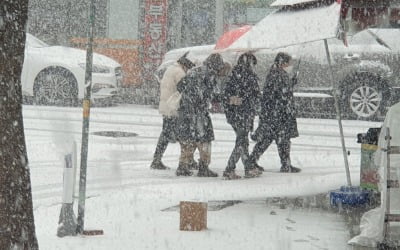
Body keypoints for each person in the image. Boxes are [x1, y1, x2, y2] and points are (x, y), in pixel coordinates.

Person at [248, 52, 301, 173]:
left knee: (272, 139)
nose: (290, 65)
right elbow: (279, 93)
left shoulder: (276, 73)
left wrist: (291, 83)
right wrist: (289, 86)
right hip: (277, 113)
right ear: (283, 63)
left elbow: (280, 90)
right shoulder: (277, 74)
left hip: (274, 113)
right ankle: (284, 164)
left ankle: (254, 160)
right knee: (280, 139)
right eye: (288, 63)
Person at [175, 53, 225, 177]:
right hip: (199, 113)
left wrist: (188, 98)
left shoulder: (194, 71)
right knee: (205, 139)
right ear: (216, 66)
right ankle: (203, 167)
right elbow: (212, 95)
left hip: (185, 110)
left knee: (188, 139)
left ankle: (182, 166)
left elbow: (179, 86)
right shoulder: (210, 74)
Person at [150, 52, 196, 170]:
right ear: (185, 65)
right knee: (183, 135)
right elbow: (184, 89)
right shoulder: (179, 72)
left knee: (166, 134)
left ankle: (157, 159)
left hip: (166, 106)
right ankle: (187, 160)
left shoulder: (170, 68)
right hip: (173, 108)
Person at [222, 52, 263, 179]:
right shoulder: (247, 76)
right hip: (243, 114)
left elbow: (226, 95)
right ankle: (229, 169)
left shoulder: (234, 75)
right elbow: (252, 96)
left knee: (243, 141)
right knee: (241, 142)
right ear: (249, 63)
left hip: (235, 114)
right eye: (253, 64)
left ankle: (248, 167)